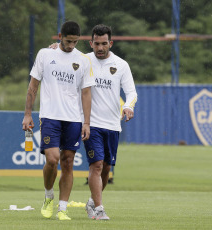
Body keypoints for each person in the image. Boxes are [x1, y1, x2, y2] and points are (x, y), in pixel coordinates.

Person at [50, 24, 137, 220]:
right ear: (90, 43)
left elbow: (131, 92)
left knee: (106, 168)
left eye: (104, 44)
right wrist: (54, 47)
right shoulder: (83, 60)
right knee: (96, 165)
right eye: (96, 44)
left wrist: (129, 106)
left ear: (110, 43)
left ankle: (91, 201)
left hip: (113, 124)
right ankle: (99, 209)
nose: (100, 48)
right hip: (89, 123)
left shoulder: (121, 65)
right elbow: (62, 54)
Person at [22, 21, 95, 221]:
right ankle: (48, 196)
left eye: (75, 42)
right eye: (68, 41)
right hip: (49, 116)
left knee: (68, 162)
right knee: (52, 159)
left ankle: (62, 208)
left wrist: (86, 122)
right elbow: (33, 86)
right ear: (60, 35)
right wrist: (28, 114)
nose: (71, 45)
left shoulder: (83, 60)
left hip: (73, 119)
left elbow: (86, 93)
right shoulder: (45, 54)